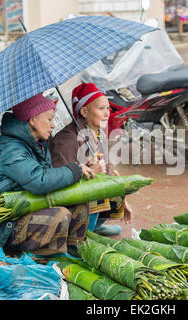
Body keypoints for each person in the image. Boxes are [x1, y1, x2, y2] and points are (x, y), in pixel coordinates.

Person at [0, 93, 95, 258]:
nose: (53, 125)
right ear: (32, 120)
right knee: (59, 216)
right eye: (49, 119)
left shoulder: (38, 143)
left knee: (79, 202)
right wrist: (73, 170)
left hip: (27, 209)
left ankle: (73, 255)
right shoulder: (12, 149)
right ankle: (42, 260)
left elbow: (50, 175)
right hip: (5, 225)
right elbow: (39, 181)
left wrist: (80, 168)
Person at [50, 83, 133, 237]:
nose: (107, 113)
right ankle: (80, 236)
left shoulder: (98, 133)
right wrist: (88, 172)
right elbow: (59, 182)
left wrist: (122, 197)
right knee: (94, 187)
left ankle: (94, 226)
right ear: (84, 111)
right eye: (101, 108)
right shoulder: (66, 140)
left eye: (108, 108)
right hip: (65, 203)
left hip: (83, 198)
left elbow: (107, 171)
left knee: (116, 181)